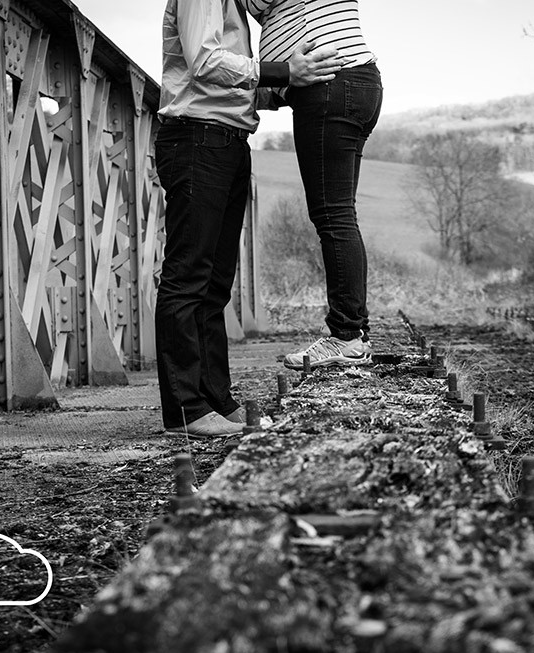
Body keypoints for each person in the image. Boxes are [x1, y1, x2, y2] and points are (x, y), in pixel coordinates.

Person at [156, 0, 346, 437]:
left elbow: (233, 82)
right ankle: (184, 409)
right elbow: (205, 63)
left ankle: (214, 400)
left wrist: (293, 86)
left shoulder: (232, 10)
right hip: (197, 137)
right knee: (188, 275)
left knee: (214, 282)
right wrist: (281, 72)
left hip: (225, 138)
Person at [242, 0, 383, 369]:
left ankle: (346, 337)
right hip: (351, 83)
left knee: (332, 216)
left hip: (331, 87)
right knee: (339, 215)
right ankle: (354, 333)